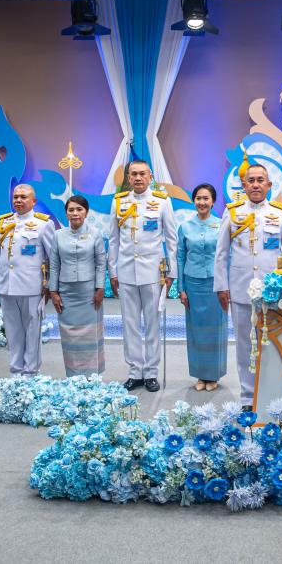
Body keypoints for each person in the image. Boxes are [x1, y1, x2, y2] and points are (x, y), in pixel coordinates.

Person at [214, 163, 282, 408]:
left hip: (274, 291)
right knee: (245, 344)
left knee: (273, 342)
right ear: (244, 185)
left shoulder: (281, 213)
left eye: (261, 180)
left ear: (269, 185)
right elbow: (221, 253)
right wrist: (222, 286)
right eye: (251, 180)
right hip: (241, 290)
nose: (256, 184)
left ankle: (271, 392)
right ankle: (248, 396)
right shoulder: (232, 212)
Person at [108, 160, 177, 392]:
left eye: (142, 174)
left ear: (150, 177)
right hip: (126, 271)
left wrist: (171, 272)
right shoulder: (118, 202)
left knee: (152, 324)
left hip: (153, 273)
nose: (138, 178)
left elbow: (172, 239)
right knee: (130, 324)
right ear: (128, 178)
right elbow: (113, 240)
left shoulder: (162, 201)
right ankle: (135, 371)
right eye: (134, 174)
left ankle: (151, 372)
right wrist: (113, 271)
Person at [0, 184, 54, 377]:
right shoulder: (3, 222)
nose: (18, 200)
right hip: (7, 285)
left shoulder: (43, 224)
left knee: (32, 331)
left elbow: (52, 258)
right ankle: (15, 370)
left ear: (33, 201)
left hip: (32, 286)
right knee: (12, 331)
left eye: (23, 197)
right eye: (16, 197)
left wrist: (49, 285)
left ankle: (30, 371)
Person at [176, 183, 228, 392]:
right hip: (193, 284)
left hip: (216, 285)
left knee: (215, 331)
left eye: (206, 198)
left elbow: (227, 256)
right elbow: (180, 257)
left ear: (213, 201)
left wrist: (226, 285)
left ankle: (213, 375)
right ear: (194, 201)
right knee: (196, 331)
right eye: (198, 198)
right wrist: (181, 288)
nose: (202, 202)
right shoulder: (185, 227)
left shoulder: (221, 225)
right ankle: (200, 375)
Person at [49, 195, 106, 377]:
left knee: (90, 335)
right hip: (66, 294)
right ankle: (73, 376)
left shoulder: (95, 233)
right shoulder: (58, 235)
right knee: (70, 337)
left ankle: (92, 376)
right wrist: (53, 291)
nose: (75, 213)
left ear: (86, 212)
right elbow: (54, 265)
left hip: (89, 293)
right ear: (66, 213)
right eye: (71, 210)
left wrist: (100, 288)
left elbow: (101, 263)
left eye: (79, 209)